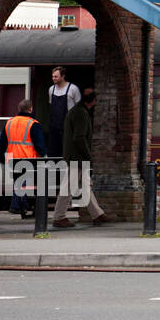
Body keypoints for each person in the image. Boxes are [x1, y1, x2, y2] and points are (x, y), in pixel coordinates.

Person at [52, 88, 112, 227]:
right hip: (77, 158)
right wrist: (88, 156)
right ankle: (59, 217)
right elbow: (79, 138)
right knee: (68, 187)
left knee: (85, 186)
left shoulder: (76, 111)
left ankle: (97, 214)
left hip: (75, 157)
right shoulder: (81, 114)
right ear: (93, 101)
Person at [0, 98, 47, 219]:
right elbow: (39, 144)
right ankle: (17, 205)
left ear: (19, 109)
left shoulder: (9, 122)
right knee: (24, 183)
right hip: (28, 158)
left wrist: (0, 155)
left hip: (13, 158)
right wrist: (44, 156)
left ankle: (19, 205)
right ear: (31, 109)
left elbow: (2, 141)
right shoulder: (33, 124)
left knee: (18, 182)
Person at [47, 66, 81, 158]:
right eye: (53, 76)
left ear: (63, 76)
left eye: (56, 76)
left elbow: (79, 108)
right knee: (54, 152)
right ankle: (55, 171)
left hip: (68, 124)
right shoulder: (51, 89)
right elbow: (51, 105)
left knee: (68, 150)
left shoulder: (73, 89)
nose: (53, 78)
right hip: (54, 125)